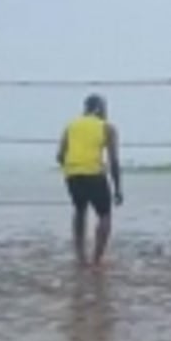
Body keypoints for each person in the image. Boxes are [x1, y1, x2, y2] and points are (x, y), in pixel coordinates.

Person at [56, 94, 123, 268]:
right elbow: (114, 160)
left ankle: (80, 257)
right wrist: (117, 189)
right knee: (104, 215)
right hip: (94, 173)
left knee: (79, 210)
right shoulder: (107, 128)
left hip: (72, 175)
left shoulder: (70, 126)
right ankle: (97, 260)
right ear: (100, 109)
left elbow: (60, 156)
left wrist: (70, 170)